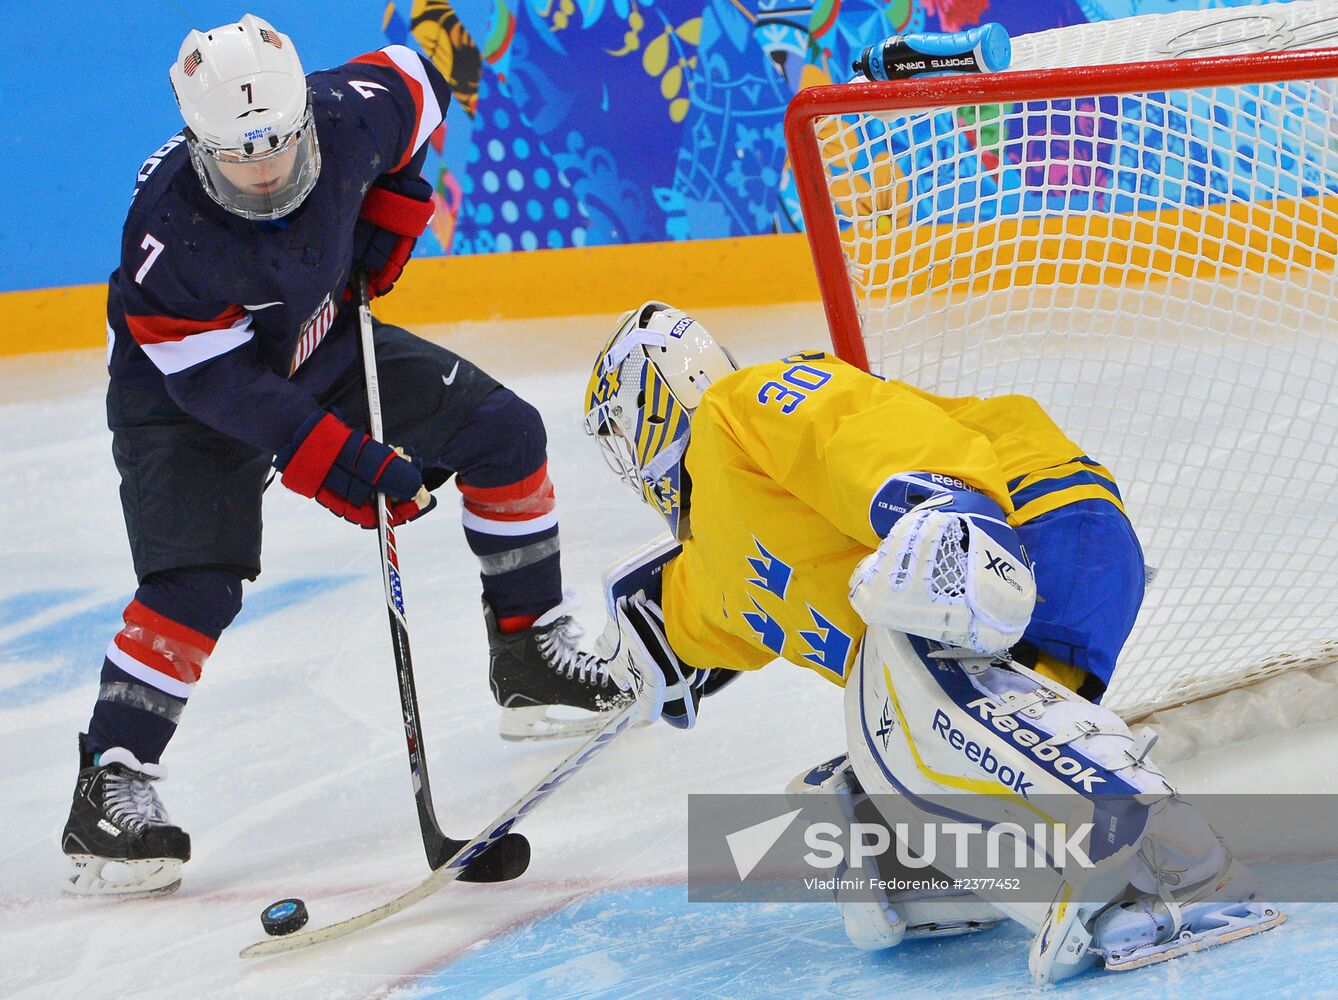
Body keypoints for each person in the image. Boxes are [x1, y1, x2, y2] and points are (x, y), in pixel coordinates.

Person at [61, 14, 627, 899]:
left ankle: (528, 657)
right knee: (195, 582)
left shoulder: (353, 109)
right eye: (238, 156)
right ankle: (109, 778)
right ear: (197, 140)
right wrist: (342, 464)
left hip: (316, 340)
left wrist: (396, 203)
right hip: (182, 397)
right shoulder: (167, 232)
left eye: (281, 146)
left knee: (505, 433)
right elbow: (229, 394)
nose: (264, 171)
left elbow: (421, 84)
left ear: (305, 119)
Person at [581, 301, 1283, 984]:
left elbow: (856, 428)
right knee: (853, 795)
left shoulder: (739, 410)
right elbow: (677, 629)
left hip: (1033, 521)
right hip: (989, 617)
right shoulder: (707, 569)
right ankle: (1015, 885)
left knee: (902, 651)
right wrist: (625, 660)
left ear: (650, 401)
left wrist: (944, 509)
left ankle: (1175, 866)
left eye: (620, 429)